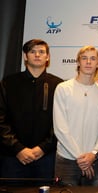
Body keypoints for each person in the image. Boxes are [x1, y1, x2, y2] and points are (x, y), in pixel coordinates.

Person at [0, 39, 63, 185]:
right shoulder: (9, 83)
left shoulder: (58, 85)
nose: (37, 55)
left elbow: (62, 122)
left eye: (41, 52)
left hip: (46, 157)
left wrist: (43, 147)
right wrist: (17, 148)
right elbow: (1, 119)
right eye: (32, 51)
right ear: (25, 56)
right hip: (13, 157)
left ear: (48, 57)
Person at [53, 45, 98, 186]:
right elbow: (60, 128)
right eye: (84, 58)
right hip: (67, 160)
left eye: (93, 58)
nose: (88, 62)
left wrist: (93, 154)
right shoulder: (63, 88)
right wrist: (81, 159)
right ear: (77, 62)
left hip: (94, 160)